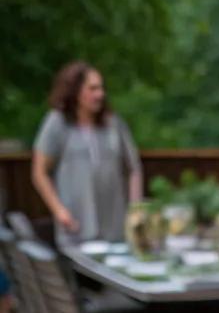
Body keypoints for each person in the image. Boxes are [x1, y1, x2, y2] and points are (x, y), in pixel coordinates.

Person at [31, 62, 142, 244]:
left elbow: (134, 168)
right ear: (74, 91)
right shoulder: (57, 123)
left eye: (101, 88)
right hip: (75, 227)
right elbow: (39, 172)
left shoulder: (114, 124)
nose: (100, 94)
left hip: (114, 229)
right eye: (93, 88)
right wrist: (59, 210)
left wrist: (135, 209)